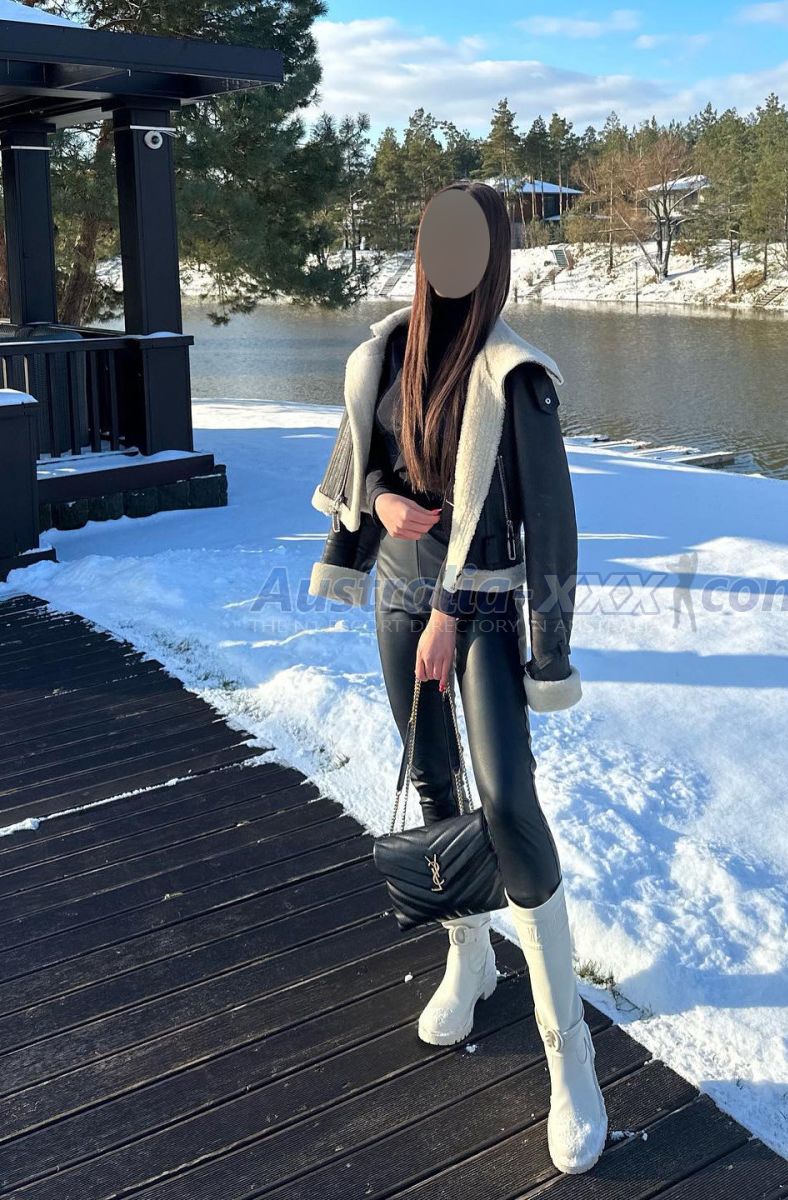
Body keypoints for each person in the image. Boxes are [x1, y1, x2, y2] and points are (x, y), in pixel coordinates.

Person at [308, 181, 606, 1175]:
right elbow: (358, 465)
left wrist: (526, 642)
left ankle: (570, 1050)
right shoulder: (385, 353)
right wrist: (380, 502)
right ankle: (469, 957)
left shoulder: (515, 378)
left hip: (480, 610)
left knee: (509, 803)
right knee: (432, 780)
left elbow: (553, 530)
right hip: (397, 598)